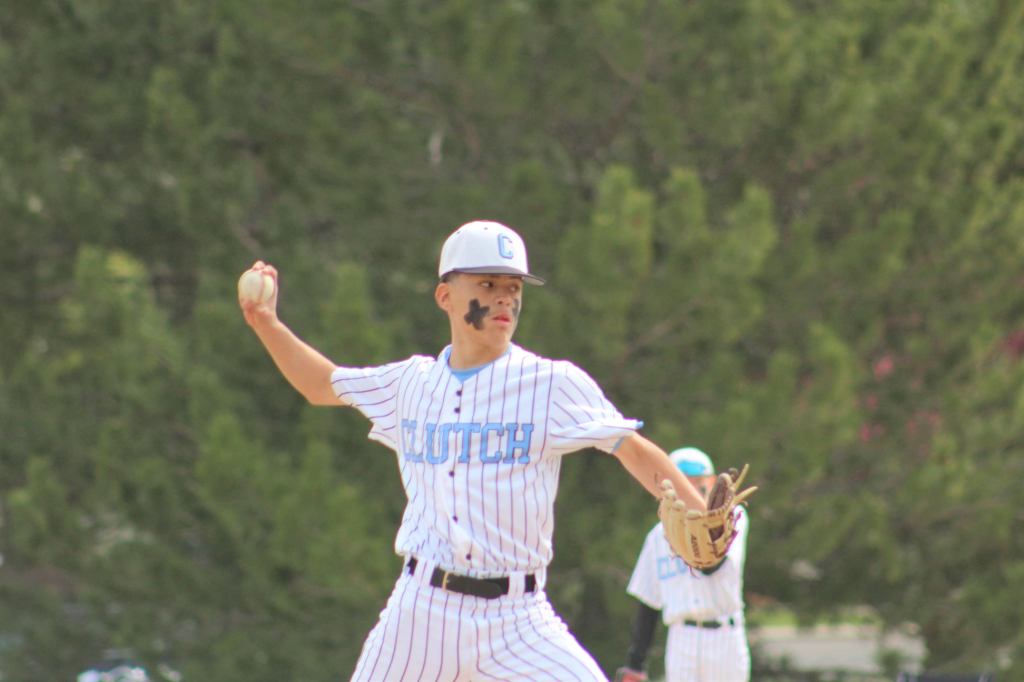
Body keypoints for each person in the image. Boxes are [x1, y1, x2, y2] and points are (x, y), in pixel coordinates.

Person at [239, 219, 707, 682]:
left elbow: (632, 448)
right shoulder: (410, 384)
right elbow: (321, 385)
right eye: (488, 283)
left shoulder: (551, 384)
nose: (506, 297)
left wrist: (698, 510)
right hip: (421, 612)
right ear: (446, 296)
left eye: (514, 287)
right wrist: (266, 323)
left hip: (519, 619)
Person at [614, 447, 751, 682]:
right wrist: (635, 663)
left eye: (700, 482)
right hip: (681, 638)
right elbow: (648, 602)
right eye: (684, 483)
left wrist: (694, 536)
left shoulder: (732, 517)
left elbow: (711, 567)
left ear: (712, 483)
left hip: (723, 636)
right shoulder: (658, 535)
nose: (693, 489)